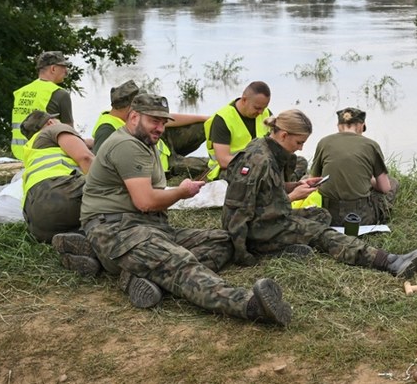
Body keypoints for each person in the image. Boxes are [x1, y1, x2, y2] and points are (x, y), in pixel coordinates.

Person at [78, 93, 291, 325]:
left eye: (163, 122)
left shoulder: (144, 142)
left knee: (225, 241)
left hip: (147, 226)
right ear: (133, 117)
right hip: (116, 230)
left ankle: (142, 275)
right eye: (153, 121)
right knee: (180, 262)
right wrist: (182, 192)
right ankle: (250, 306)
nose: (160, 128)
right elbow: (145, 202)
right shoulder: (127, 146)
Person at [221, 109, 417, 277]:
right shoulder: (260, 160)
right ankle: (390, 262)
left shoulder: (265, 148)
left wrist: (296, 185)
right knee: (322, 232)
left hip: (265, 221)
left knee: (321, 215)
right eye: (299, 142)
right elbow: (239, 209)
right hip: (256, 230)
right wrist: (243, 254)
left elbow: (266, 191)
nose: (301, 149)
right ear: (284, 135)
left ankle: (281, 249)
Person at [93, 79, 208, 176]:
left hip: (165, 148)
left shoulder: (128, 117)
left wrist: (204, 118)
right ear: (130, 107)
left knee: (205, 126)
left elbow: (166, 118)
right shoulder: (107, 130)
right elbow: (102, 165)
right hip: (165, 166)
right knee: (209, 165)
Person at [309, 107, 398, 226]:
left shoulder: (324, 142)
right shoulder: (371, 145)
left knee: (305, 178)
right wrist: (370, 181)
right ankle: (383, 211)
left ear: (338, 125)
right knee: (393, 182)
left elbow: (312, 180)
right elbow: (384, 188)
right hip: (361, 217)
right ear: (361, 125)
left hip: (328, 215)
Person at [19, 110, 94, 245]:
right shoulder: (54, 129)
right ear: (50, 122)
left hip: (36, 221)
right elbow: (86, 158)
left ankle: (80, 245)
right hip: (62, 193)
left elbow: (83, 143)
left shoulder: (31, 149)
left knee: (85, 230)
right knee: (116, 188)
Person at [11, 51, 80, 159]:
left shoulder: (21, 92)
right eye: (63, 67)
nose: (66, 71)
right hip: (44, 155)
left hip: (19, 154)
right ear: (53, 69)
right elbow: (70, 132)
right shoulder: (59, 94)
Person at [204, 81, 272, 179]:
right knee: (248, 176)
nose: (261, 112)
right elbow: (223, 160)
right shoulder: (223, 119)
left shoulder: (265, 113)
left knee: (298, 161)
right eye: (257, 108)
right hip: (230, 168)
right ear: (244, 100)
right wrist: (256, 165)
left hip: (260, 164)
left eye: (264, 108)